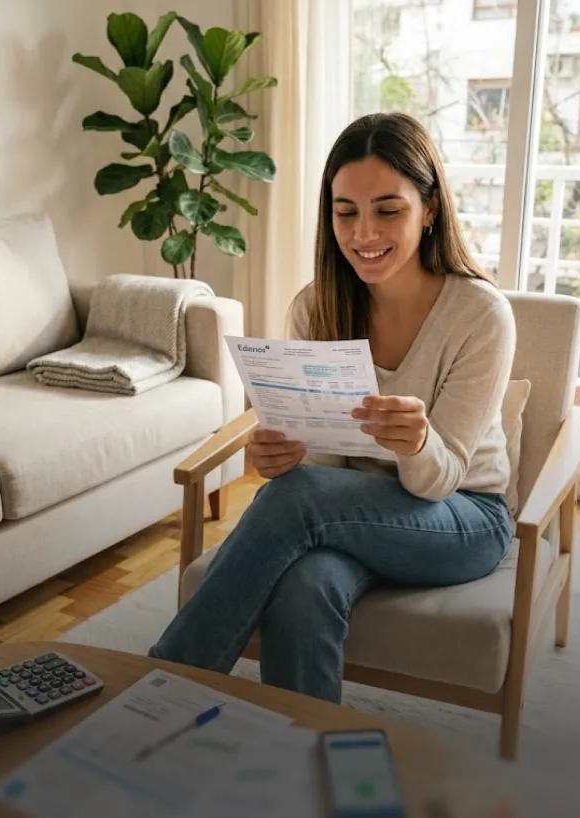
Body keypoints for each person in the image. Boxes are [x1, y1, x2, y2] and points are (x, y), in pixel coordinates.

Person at [148, 111, 515, 703]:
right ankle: (304, 752)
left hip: (463, 515)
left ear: (430, 211)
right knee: (304, 584)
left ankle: (163, 689)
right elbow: (325, 468)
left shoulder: (479, 316)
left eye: (388, 210)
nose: (364, 234)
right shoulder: (315, 308)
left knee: (299, 499)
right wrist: (284, 454)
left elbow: (442, 478)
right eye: (346, 212)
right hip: (352, 514)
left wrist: (418, 443)